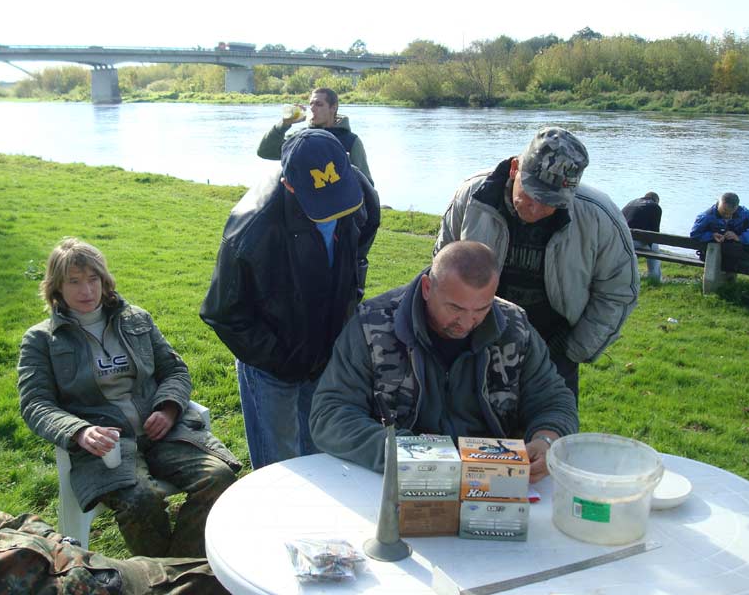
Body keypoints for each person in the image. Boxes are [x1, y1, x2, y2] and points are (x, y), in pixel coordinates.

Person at [18, 238, 242, 558]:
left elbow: (175, 370)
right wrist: (79, 431)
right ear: (56, 287)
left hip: (165, 433)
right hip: (107, 448)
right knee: (140, 500)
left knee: (219, 477)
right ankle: (179, 574)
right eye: (74, 282)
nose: (87, 290)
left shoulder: (137, 319)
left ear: (105, 280)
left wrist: (168, 409)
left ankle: (170, 571)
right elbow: (35, 403)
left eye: (93, 279)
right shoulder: (41, 340)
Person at [309, 241, 578, 482]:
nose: (467, 322)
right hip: (401, 476)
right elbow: (330, 414)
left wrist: (547, 439)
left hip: (493, 479)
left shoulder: (515, 327)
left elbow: (554, 400)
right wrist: (414, 454)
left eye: (482, 309)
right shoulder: (371, 325)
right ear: (427, 288)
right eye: (455, 308)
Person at [201, 129, 380, 470]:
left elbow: (360, 247)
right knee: (280, 461)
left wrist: (350, 298)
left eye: (338, 197)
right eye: (322, 204)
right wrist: (281, 359)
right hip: (274, 362)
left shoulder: (359, 193)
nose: (334, 212)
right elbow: (223, 313)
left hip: (326, 349)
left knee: (320, 448)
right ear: (289, 185)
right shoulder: (250, 230)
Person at [434, 127, 639, 399]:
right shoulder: (472, 195)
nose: (536, 208)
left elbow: (618, 291)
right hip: (474, 341)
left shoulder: (599, 217)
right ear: (514, 169)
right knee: (465, 419)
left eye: (550, 201)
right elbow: (442, 266)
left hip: (553, 353)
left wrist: (575, 349)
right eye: (531, 193)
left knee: (551, 423)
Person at [0, 495, 226, 594]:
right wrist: (78, 431)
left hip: (89, 569)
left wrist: (55, 538)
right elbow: (39, 405)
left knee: (223, 580)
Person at [256, 87, 373, 184]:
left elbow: (366, 183)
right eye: (311, 104)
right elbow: (265, 152)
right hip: (301, 203)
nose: (312, 108)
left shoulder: (351, 141)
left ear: (333, 107)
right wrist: (284, 124)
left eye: (318, 104)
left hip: (338, 203)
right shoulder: (300, 138)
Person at [690, 192, 749, 280]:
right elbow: (695, 234)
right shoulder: (706, 216)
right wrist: (712, 236)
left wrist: (739, 237)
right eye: (724, 211)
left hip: (739, 247)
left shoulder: (744, 213)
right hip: (716, 253)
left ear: (737, 207)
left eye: (731, 213)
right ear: (719, 203)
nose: (727, 216)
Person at [622, 191, 662, 282]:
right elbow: (655, 234)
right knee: (655, 248)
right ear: (656, 201)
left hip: (621, 239)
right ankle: (655, 278)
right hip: (635, 241)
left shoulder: (630, 203)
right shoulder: (655, 207)